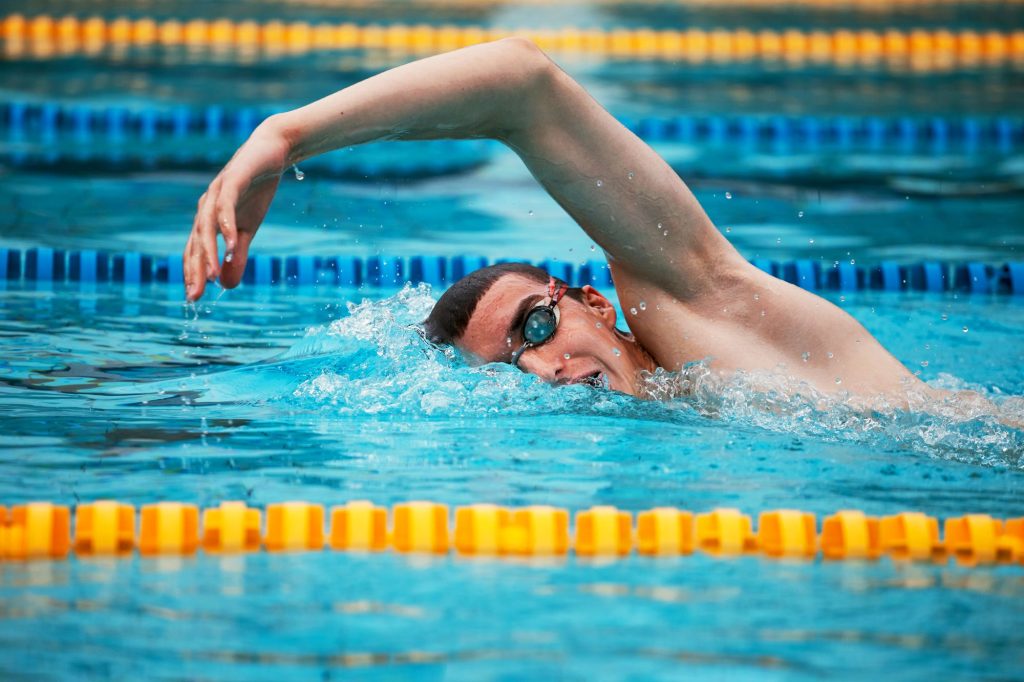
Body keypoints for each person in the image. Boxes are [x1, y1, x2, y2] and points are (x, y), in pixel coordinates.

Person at [184, 38, 922, 401]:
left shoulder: (710, 314)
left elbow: (520, 85)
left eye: (534, 329)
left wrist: (285, 137)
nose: (543, 370)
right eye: (513, 366)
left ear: (594, 303)